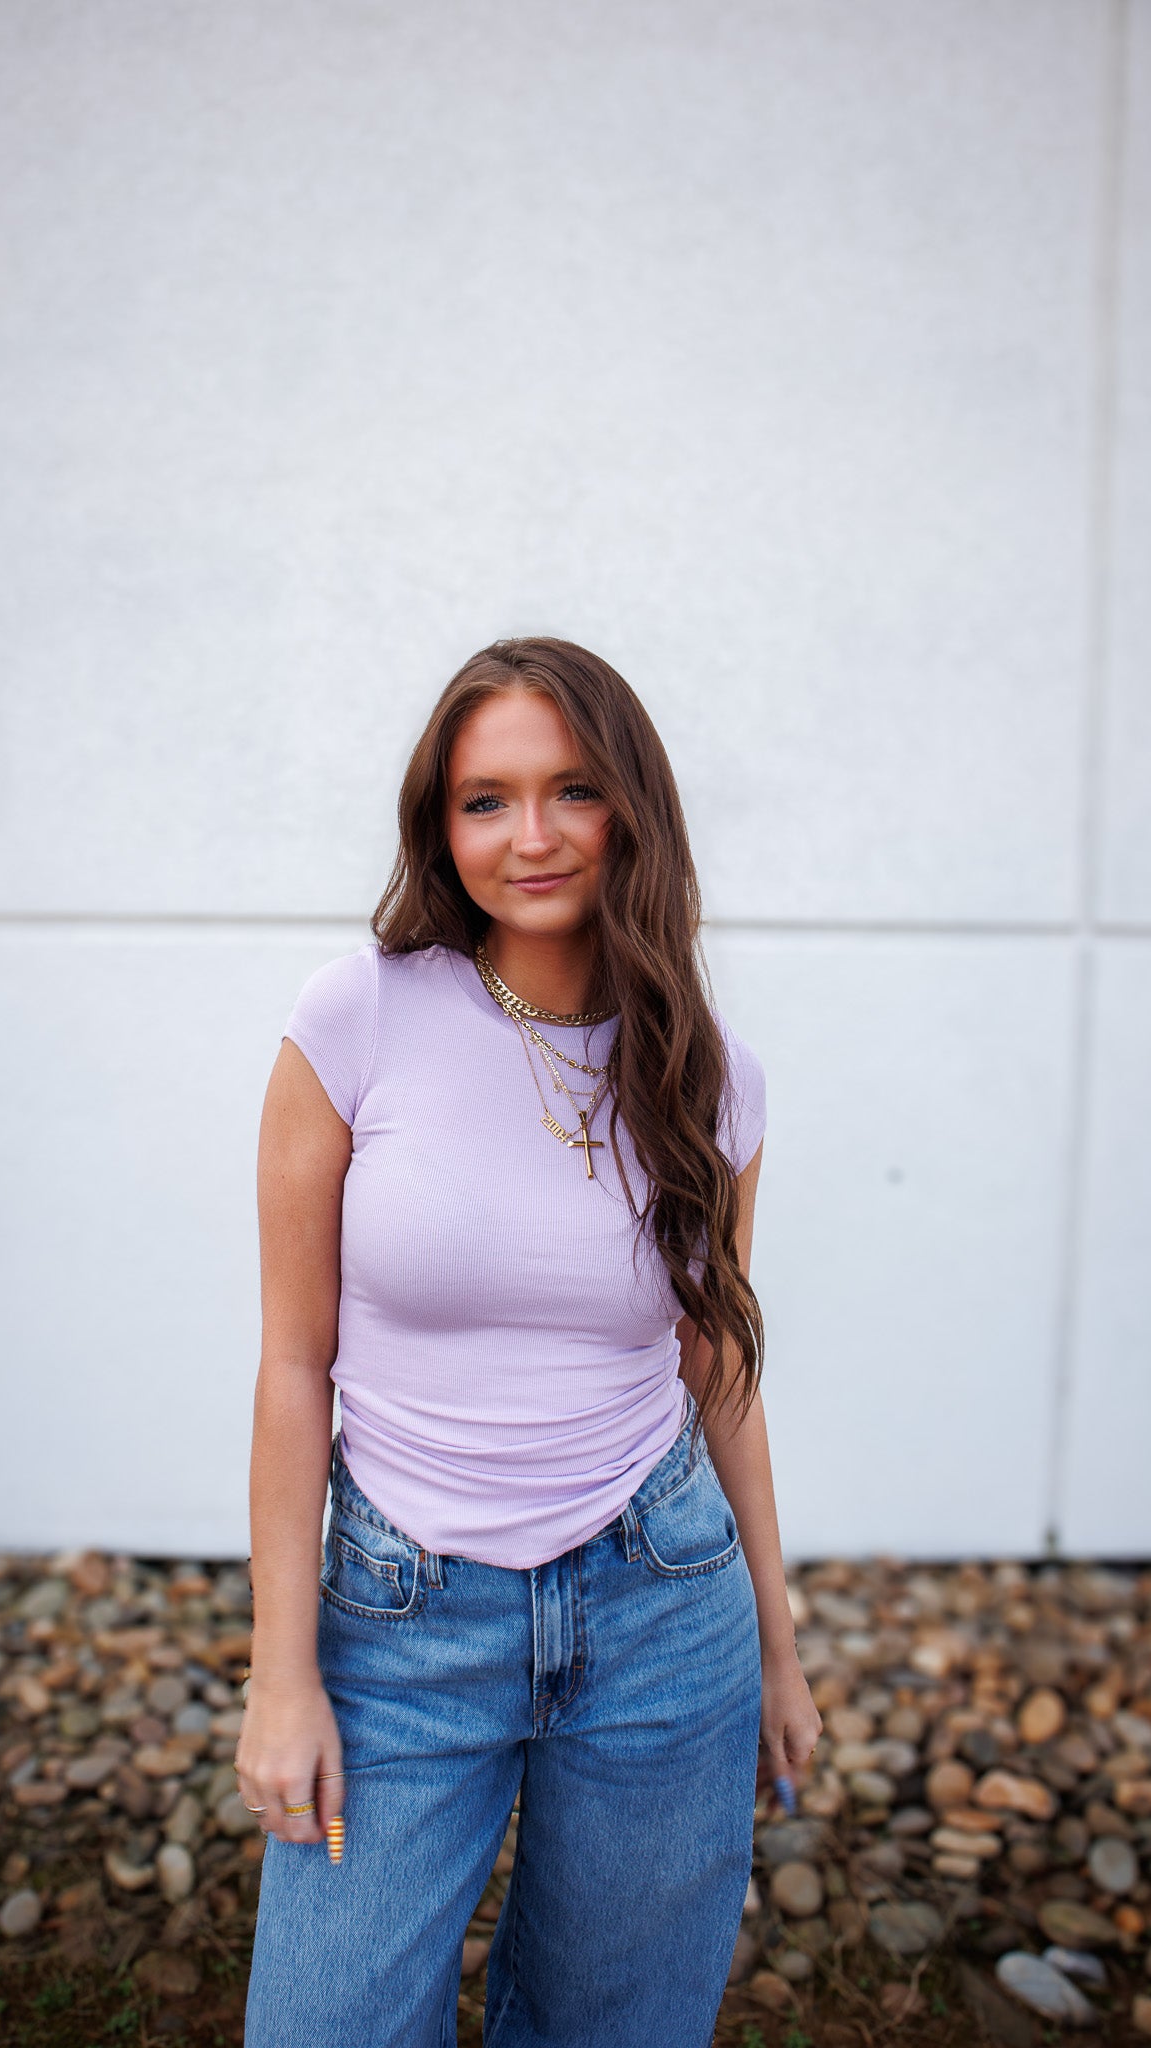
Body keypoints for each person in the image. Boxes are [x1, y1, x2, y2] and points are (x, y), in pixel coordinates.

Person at [239, 637, 822, 2047]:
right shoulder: (357, 1017)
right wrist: (281, 1669)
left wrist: (778, 1643)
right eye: (484, 799)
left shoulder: (707, 1073)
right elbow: (292, 1364)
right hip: (401, 1613)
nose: (532, 835)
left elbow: (715, 1363)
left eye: (571, 789)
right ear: (439, 828)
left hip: (658, 1600)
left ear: (632, 807)